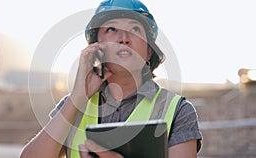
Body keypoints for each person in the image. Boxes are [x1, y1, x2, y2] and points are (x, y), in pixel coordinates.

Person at [20, 0, 202, 157]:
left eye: (135, 28)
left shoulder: (179, 111)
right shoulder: (73, 107)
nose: (124, 38)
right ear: (96, 48)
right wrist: (76, 99)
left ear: (149, 51)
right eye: (112, 29)